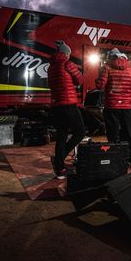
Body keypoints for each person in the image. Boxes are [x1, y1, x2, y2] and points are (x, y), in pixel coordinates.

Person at [96, 48, 131, 170]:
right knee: (130, 135)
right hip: (127, 107)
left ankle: (116, 163)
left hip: (111, 107)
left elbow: (100, 86)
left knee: (113, 136)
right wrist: (130, 98)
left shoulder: (107, 67)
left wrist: (99, 77)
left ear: (112, 57)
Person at [47, 40, 86, 179]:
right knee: (80, 132)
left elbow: (51, 85)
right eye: (68, 54)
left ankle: (60, 169)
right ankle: (60, 158)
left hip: (57, 106)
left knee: (61, 135)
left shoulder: (51, 67)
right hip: (69, 104)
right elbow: (80, 81)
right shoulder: (68, 64)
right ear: (66, 54)